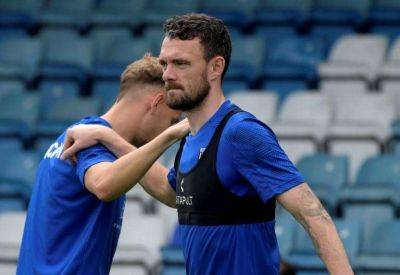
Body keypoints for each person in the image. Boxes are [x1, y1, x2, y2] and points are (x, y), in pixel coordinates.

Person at [61, 14, 354, 275]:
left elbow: (315, 217)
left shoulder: (241, 133)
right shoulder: (190, 136)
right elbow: (172, 192)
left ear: (215, 68)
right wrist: (110, 138)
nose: (166, 75)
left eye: (181, 64)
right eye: (165, 64)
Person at [17, 54, 189, 275]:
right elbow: (103, 185)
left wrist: (108, 137)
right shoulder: (87, 142)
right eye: (171, 120)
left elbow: (171, 194)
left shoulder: (95, 136)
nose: (168, 128)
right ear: (156, 102)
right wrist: (172, 134)